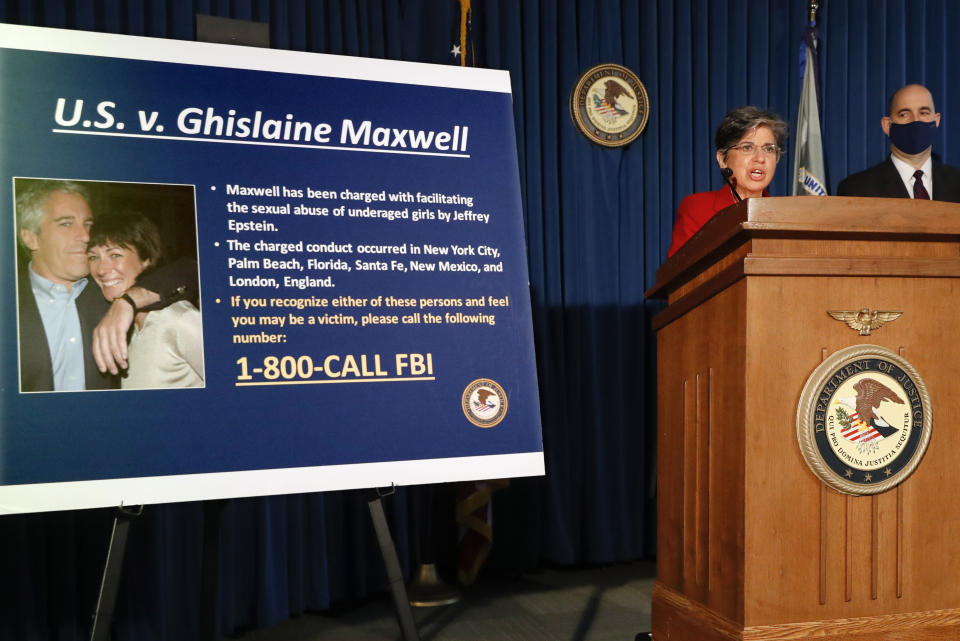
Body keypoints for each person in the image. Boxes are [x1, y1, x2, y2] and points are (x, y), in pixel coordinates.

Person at [15, 179, 198, 392]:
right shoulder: (10, 299)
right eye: (66, 223)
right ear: (30, 238)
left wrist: (128, 301)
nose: (85, 236)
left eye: (88, 225)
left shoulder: (110, 291)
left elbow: (190, 270)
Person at [87, 212, 204, 389]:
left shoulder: (179, 320)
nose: (101, 269)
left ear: (146, 259)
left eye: (115, 255)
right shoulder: (126, 324)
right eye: (93, 257)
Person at [668, 106, 788, 256]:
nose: (760, 158)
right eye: (747, 147)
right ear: (723, 159)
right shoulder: (696, 209)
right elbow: (679, 275)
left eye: (769, 149)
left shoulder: (786, 216)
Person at [836, 84, 960, 202]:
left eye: (923, 113)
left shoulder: (956, 183)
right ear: (887, 125)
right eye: (904, 114)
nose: (915, 120)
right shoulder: (857, 189)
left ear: (936, 120)